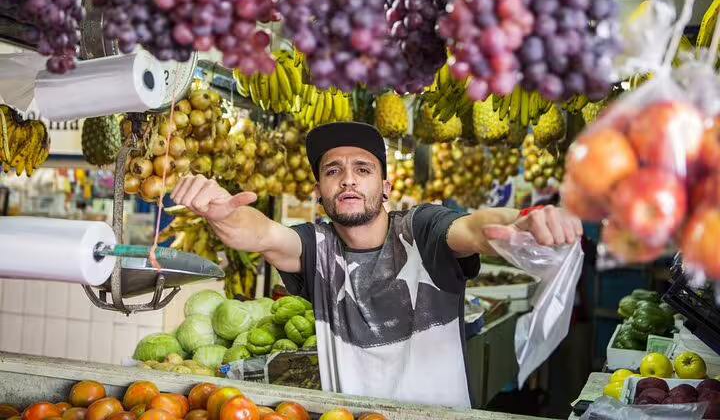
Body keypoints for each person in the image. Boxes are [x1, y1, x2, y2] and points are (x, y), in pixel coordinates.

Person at [171, 122, 583, 409]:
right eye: (334, 171)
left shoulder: (421, 229)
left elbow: (475, 227)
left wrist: (525, 221)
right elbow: (259, 233)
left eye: (362, 169)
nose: (348, 179)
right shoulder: (315, 246)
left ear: (385, 188)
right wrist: (221, 214)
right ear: (319, 191)